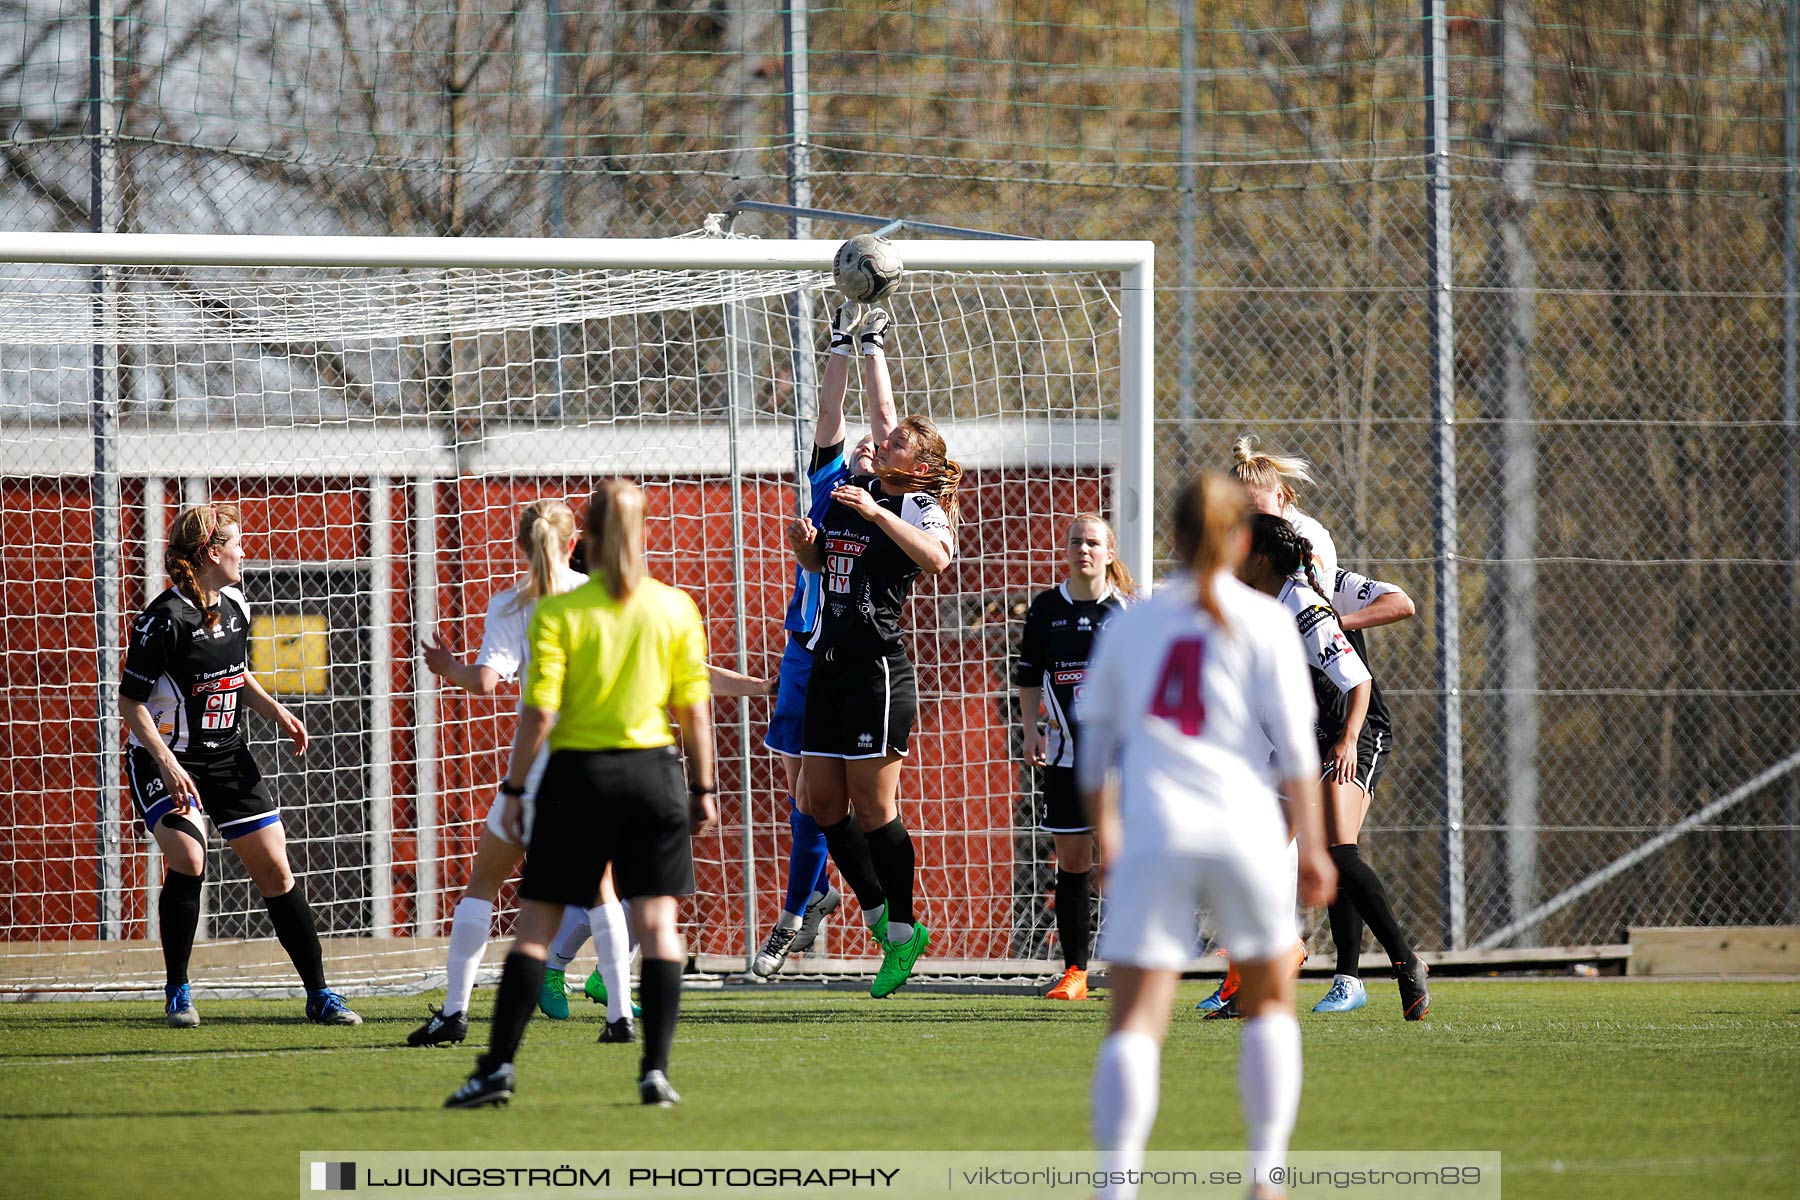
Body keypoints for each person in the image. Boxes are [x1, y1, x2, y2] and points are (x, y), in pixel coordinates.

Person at [1082, 476, 1334, 1200]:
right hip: (1245, 830)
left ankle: (1118, 1186)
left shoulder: (1134, 621)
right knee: (1271, 1003)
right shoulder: (1265, 622)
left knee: (1134, 1019)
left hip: (1158, 828)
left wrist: (1109, 839)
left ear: (1176, 538)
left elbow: (1097, 753)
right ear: (1241, 540)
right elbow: (1297, 749)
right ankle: (1265, 1174)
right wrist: (1312, 849)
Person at [445, 479, 715, 1109]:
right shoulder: (676, 607)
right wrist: (703, 787)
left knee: (535, 927)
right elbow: (695, 709)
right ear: (643, 532)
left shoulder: (559, 611)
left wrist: (514, 788)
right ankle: (654, 1072)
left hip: (577, 777)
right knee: (659, 926)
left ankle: (497, 1070)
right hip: (654, 776)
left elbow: (537, 715)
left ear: (586, 537)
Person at [408, 499, 639, 1048]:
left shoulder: (513, 603)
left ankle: (455, 1013)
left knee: (484, 882)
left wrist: (447, 668)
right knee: (602, 890)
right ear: (571, 541)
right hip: (598, 762)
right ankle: (620, 1018)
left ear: (521, 544)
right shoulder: (604, 595)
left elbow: (487, 682)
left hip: (538, 768)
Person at [120, 502, 360, 1028]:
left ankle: (320, 995)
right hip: (167, 758)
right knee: (188, 857)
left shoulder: (234, 604)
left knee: (276, 870)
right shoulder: (163, 620)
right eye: (235, 543)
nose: (243, 551)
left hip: (228, 758)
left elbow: (236, 672)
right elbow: (129, 703)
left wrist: (276, 710)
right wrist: (164, 762)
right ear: (211, 553)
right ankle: (178, 990)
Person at [787, 384, 960, 998]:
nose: (878, 441)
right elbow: (819, 565)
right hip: (828, 666)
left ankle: (903, 926)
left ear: (915, 467)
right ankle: (883, 920)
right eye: (883, 439)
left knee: (872, 806)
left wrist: (876, 511)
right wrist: (806, 547)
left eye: (892, 443)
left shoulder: (915, 506)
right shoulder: (846, 495)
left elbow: (938, 561)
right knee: (820, 801)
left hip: (877, 670)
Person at [1239, 515, 1430, 1021]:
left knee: (1336, 852)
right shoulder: (1257, 605)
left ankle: (1405, 962)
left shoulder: (1302, 604)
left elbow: (1357, 680)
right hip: (1306, 742)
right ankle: (1263, 974)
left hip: (1354, 732)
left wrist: (1347, 741)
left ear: (1261, 557)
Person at [752, 302, 895, 978]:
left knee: (824, 795)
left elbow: (884, 423)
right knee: (799, 796)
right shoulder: (829, 486)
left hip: (851, 660)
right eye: (860, 446)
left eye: (879, 444)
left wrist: (876, 350)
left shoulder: (892, 502)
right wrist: (841, 344)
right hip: (801, 648)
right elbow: (831, 420)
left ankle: (793, 916)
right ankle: (813, 896)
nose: (868, 445)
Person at [1015, 514, 1137, 1001]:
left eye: (1092, 542)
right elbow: (1028, 677)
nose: (1082, 549)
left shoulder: (1127, 613)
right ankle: (1076, 972)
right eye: (1075, 542)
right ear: (1064, 551)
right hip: (1065, 759)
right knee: (1073, 861)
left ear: (1109, 553)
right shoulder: (1046, 609)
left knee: (1128, 860)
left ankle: (1136, 964)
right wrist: (1030, 732)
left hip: (1123, 762)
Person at [1230, 435, 1337, 586]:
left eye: (1253, 509)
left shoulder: (1308, 537)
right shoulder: (1239, 536)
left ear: (1279, 497)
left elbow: (1300, 601)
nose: (1247, 519)